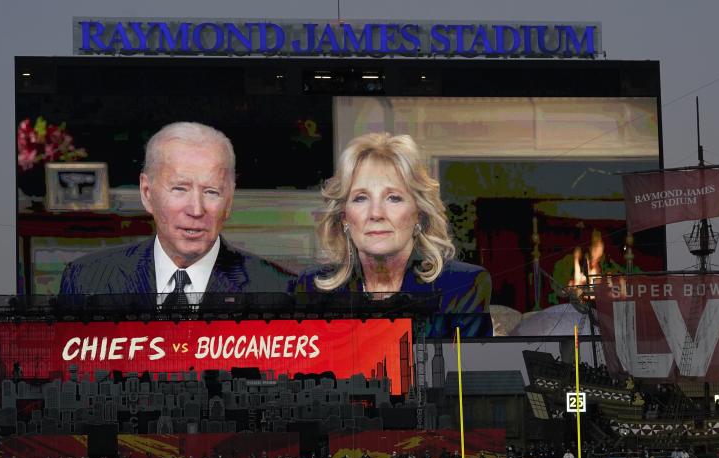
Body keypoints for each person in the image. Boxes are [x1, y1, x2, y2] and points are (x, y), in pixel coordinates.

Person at [59, 122, 292, 300]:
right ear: (147, 193)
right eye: (180, 189)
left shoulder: (279, 289)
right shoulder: (87, 279)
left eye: (211, 192)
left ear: (229, 201)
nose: (196, 210)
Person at [294, 132, 493, 338]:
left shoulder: (462, 285)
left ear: (419, 214)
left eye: (393, 198)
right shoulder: (312, 288)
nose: (376, 213)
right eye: (361, 198)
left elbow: (465, 369)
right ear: (344, 217)